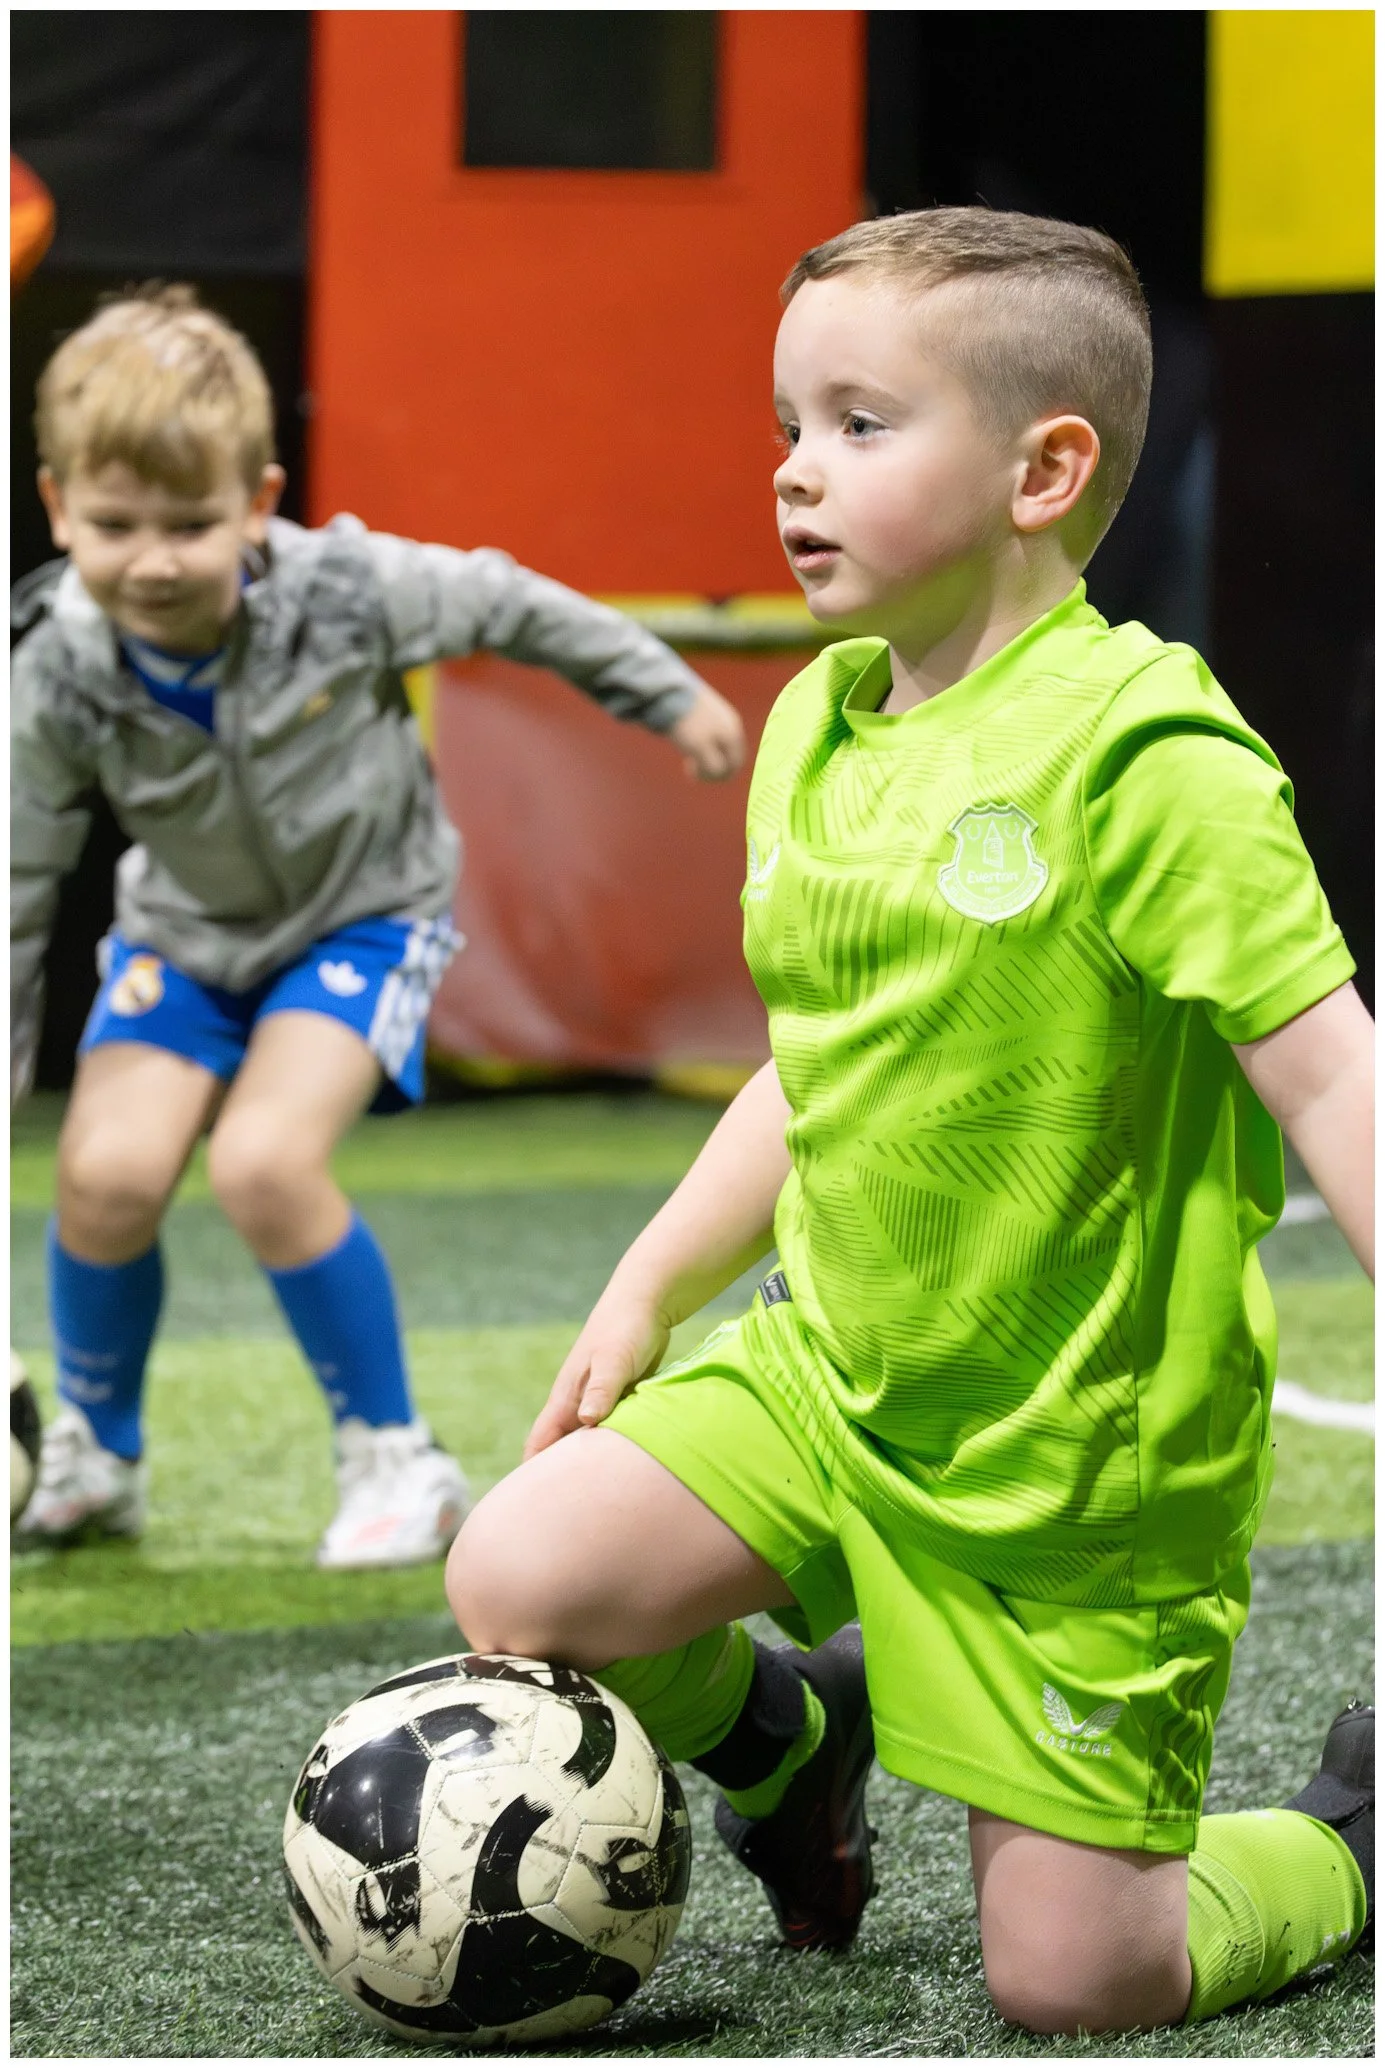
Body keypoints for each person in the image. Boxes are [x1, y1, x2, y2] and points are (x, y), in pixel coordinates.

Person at [446, 209, 1375, 2034]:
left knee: (1079, 1979)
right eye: (789, 423)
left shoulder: (1151, 757)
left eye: (862, 424)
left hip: (1070, 1472)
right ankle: (798, 1741)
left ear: (1045, 469)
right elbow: (821, 1061)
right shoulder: (817, 723)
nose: (796, 470)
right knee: (518, 1571)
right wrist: (649, 1283)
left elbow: (1335, 1068)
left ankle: (1351, 1833)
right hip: (835, 1382)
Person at [11, 285, 745, 1571]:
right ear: (58, 504)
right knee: (104, 1175)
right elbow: (19, 875)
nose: (155, 560)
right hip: (184, 938)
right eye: (114, 525)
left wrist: (663, 691)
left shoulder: (346, 590)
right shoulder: (59, 661)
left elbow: (512, 603)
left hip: (361, 924)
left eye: (193, 523)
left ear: (259, 501)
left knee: (260, 1164)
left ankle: (397, 1458)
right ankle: (97, 1453)